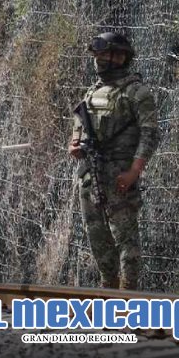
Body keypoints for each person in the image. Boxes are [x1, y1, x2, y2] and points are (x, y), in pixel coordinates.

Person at [69, 32, 159, 290]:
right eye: (100, 55)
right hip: (91, 175)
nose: (101, 60)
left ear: (121, 57)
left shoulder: (136, 92)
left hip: (119, 176)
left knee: (125, 240)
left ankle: (129, 297)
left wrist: (134, 171)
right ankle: (109, 292)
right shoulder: (92, 91)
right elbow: (79, 124)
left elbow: (150, 134)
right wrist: (75, 145)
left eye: (107, 54)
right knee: (97, 239)